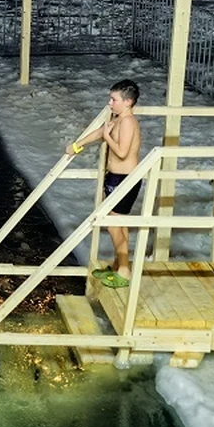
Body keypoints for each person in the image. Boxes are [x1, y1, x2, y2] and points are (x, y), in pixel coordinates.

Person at [66, 79, 142, 288]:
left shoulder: (128, 122)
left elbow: (122, 152)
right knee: (119, 224)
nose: (110, 103)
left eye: (114, 99)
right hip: (115, 179)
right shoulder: (119, 118)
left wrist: (108, 136)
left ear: (128, 102)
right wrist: (77, 145)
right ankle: (119, 265)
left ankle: (124, 271)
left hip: (125, 180)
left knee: (113, 224)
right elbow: (100, 132)